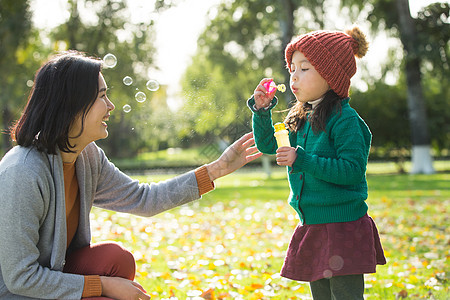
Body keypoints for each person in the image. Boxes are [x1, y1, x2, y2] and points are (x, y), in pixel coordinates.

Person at [0, 50, 262, 300]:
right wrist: (102, 285)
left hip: (52, 278)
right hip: (18, 292)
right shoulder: (22, 172)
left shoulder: (87, 157)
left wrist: (218, 168)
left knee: (117, 259)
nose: (110, 105)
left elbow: (143, 199)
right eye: (102, 96)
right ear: (73, 105)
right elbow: (20, 278)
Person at [247, 26, 386, 299]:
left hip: (343, 226)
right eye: (292, 69)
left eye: (305, 68)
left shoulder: (345, 119)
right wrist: (263, 112)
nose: (294, 76)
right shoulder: (302, 116)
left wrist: (303, 160)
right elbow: (269, 145)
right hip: (312, 224)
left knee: (345, 296)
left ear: (330, 74)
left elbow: (352, 171)